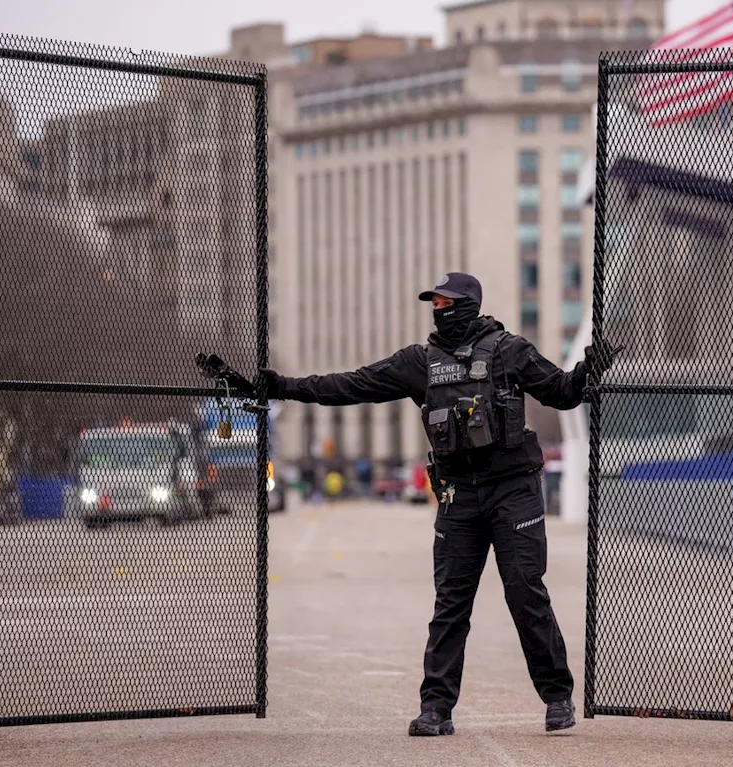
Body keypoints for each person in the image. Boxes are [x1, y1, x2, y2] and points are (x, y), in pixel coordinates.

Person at [257, 272, 620, 736]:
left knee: (525, 591)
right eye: (434, 303)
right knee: (451, 604)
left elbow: (563, 394)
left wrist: (591, 370)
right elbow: (351, 385)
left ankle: (556, 696)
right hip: (459, 496)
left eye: (446, 303)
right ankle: (436, 709)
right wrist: (283, 386)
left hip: (514, 491)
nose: (438, 310)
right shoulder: (419, 363)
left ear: (468, 304)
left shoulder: (511, 351)